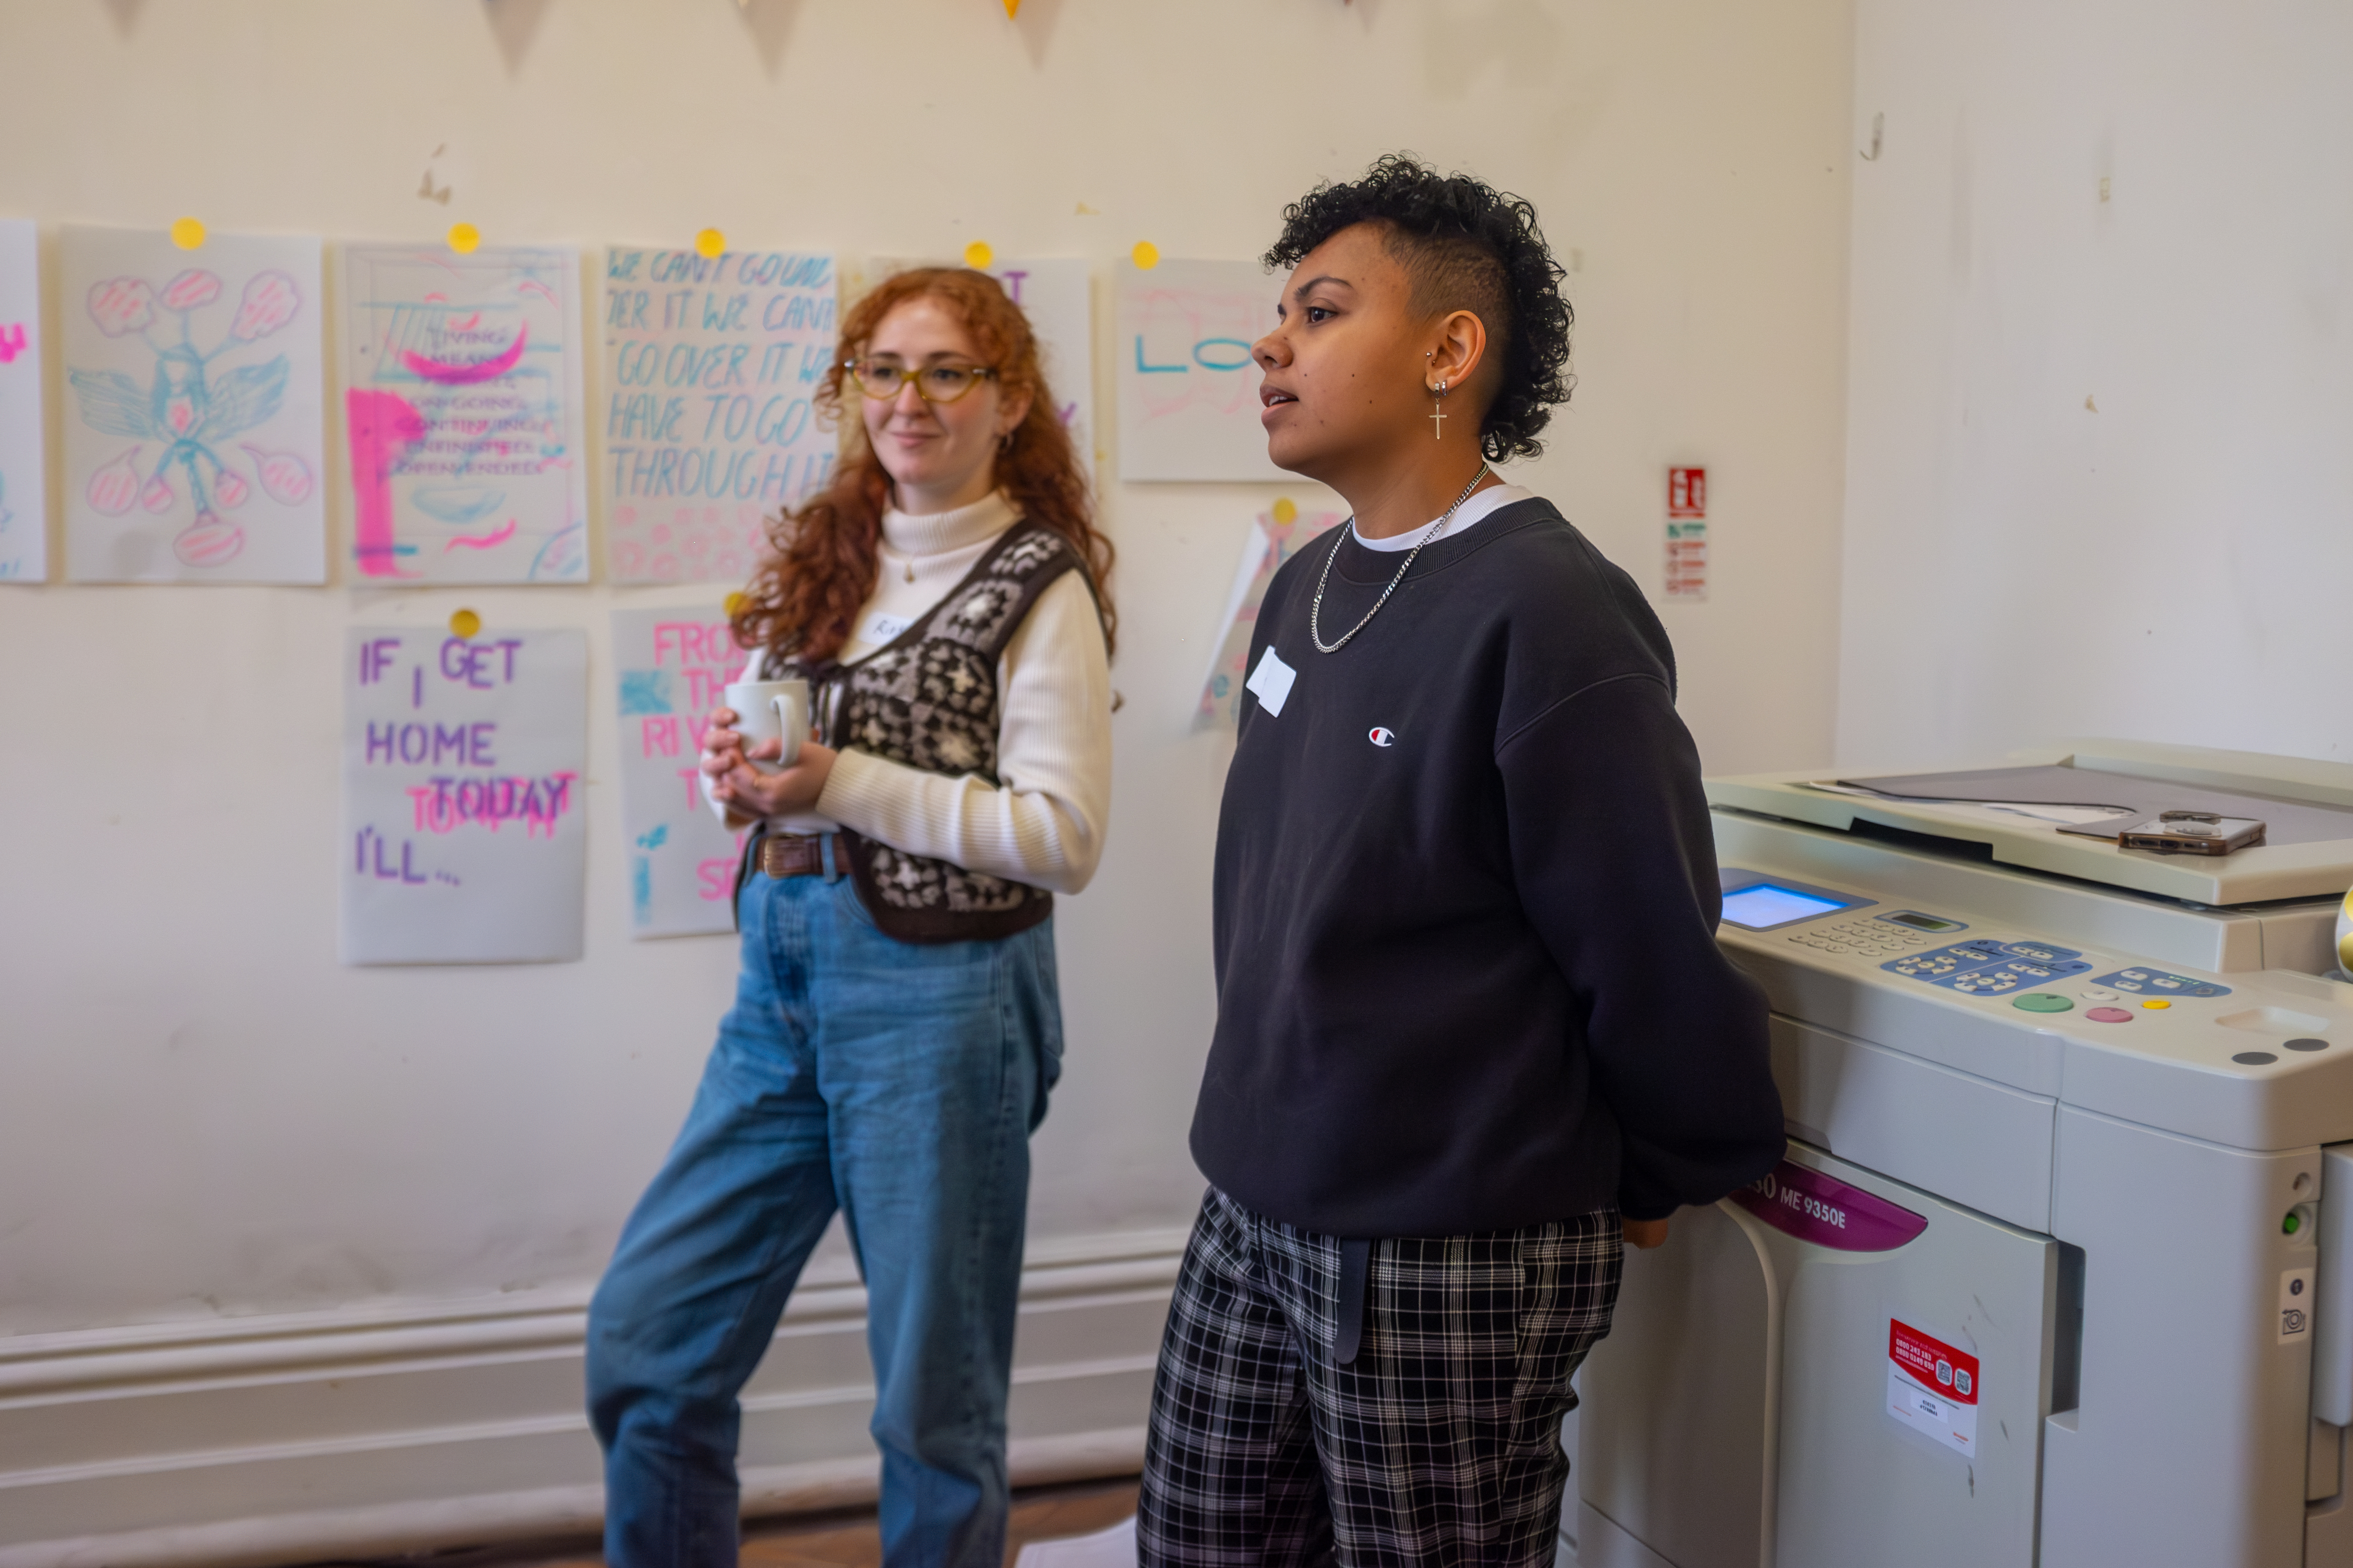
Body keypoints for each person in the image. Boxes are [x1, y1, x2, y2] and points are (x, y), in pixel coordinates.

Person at [1137, 156, 1784, 1568]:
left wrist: (1674, 1159)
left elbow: (1644, 933)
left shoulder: (1554, 612)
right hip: (1256, 1182)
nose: (1269, 344)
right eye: (1280, 316)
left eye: (1317, 312)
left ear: (1449, 350)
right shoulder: (1307, 582)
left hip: (1446, 1230)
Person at [586, 267, 1116, 1568]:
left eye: (948, 372)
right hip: (781, 987)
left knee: (934, 1411)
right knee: (648, 1347)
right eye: (882, 369)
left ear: (1010, 404)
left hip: (941, 1005)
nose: (909, 399)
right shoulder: (831, 552)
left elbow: (1064, 839)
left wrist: (842, 784)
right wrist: (743, 786)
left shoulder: (1038, 585)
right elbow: (784, 780)